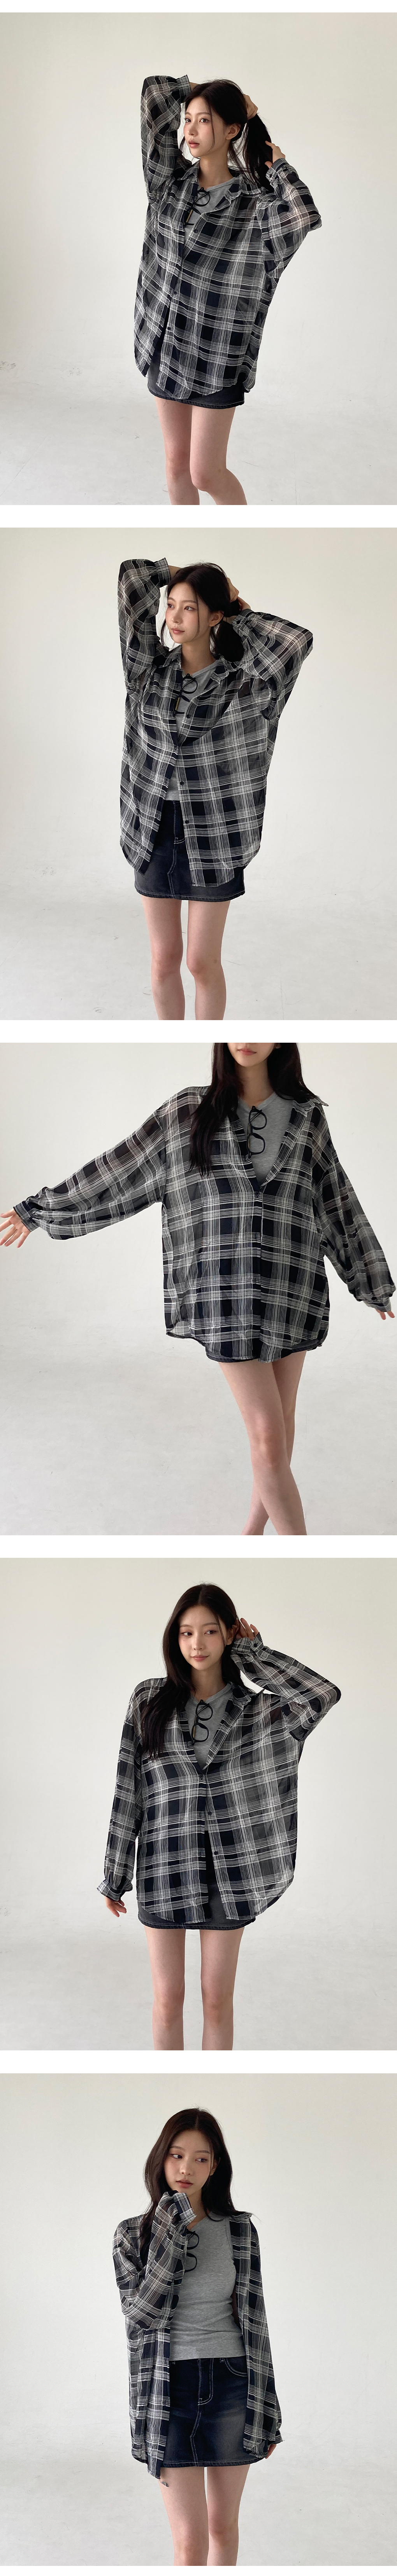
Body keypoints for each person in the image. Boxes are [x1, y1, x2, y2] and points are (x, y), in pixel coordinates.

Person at [2, 1042, 394, 1538]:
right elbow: (121, 1171)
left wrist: (369, 1279)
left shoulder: (307, 1116)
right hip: (222, 1295)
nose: (246, 1038)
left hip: (292, 1288)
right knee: (268, 1433)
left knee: (280, 1423)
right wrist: (40, 1210)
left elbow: (335, 1199)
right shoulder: (187, 1112)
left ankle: (252, 1534)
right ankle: (300, 1549)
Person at [100, 1582, 341, 2050]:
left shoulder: (260, 1711)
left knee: (216, 2000)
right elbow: (129, 1790)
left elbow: (321, 1694)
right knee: (168, 2000)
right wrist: (115, 1874)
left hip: (230, 1872)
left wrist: (254, 1656)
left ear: (229, 1634)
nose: (197, 1643)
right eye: (186, 1632)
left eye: (210, 1631)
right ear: (175, 1637)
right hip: (164, 1865)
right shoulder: (148, 1700)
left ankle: (213, 2077)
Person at [118, 556, 312, 1018]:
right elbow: (132, 580)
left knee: (201, 962)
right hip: (152, 828)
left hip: (216, 835)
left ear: (215, 616)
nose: (175, 617)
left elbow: (295, 641)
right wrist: (178, 573)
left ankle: (207, 1043)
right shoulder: (147, 671)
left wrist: (237, 607)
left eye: (190, 608)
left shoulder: (252, 685)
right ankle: (174, 1044)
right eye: (171, 605)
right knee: (164, 959)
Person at [136, 76, 321, 503]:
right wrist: (205, 91)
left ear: (233, 129)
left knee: (206, 472)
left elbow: (303, 215)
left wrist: (278, 166)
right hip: (165, 341)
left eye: (205, 121)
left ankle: (240, 530)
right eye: (188, 120)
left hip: (218, 352)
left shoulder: (255, 205)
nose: (191, 130)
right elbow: (154, 95)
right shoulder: (168, 184)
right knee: (176, 465)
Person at [113, 2105, 281, 2566]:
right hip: (169, 2389)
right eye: (176, 2154)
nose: (186, 2167)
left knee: (222, 2526)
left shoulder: (239, 2230)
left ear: (215, 2165)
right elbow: (142, 2314)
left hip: (233, 2381)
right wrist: (172, 2228)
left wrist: (269, 2406)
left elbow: (256, 2321)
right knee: (190, 2541)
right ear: (161, 2159)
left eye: (201, 2158)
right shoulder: (133, 2234)